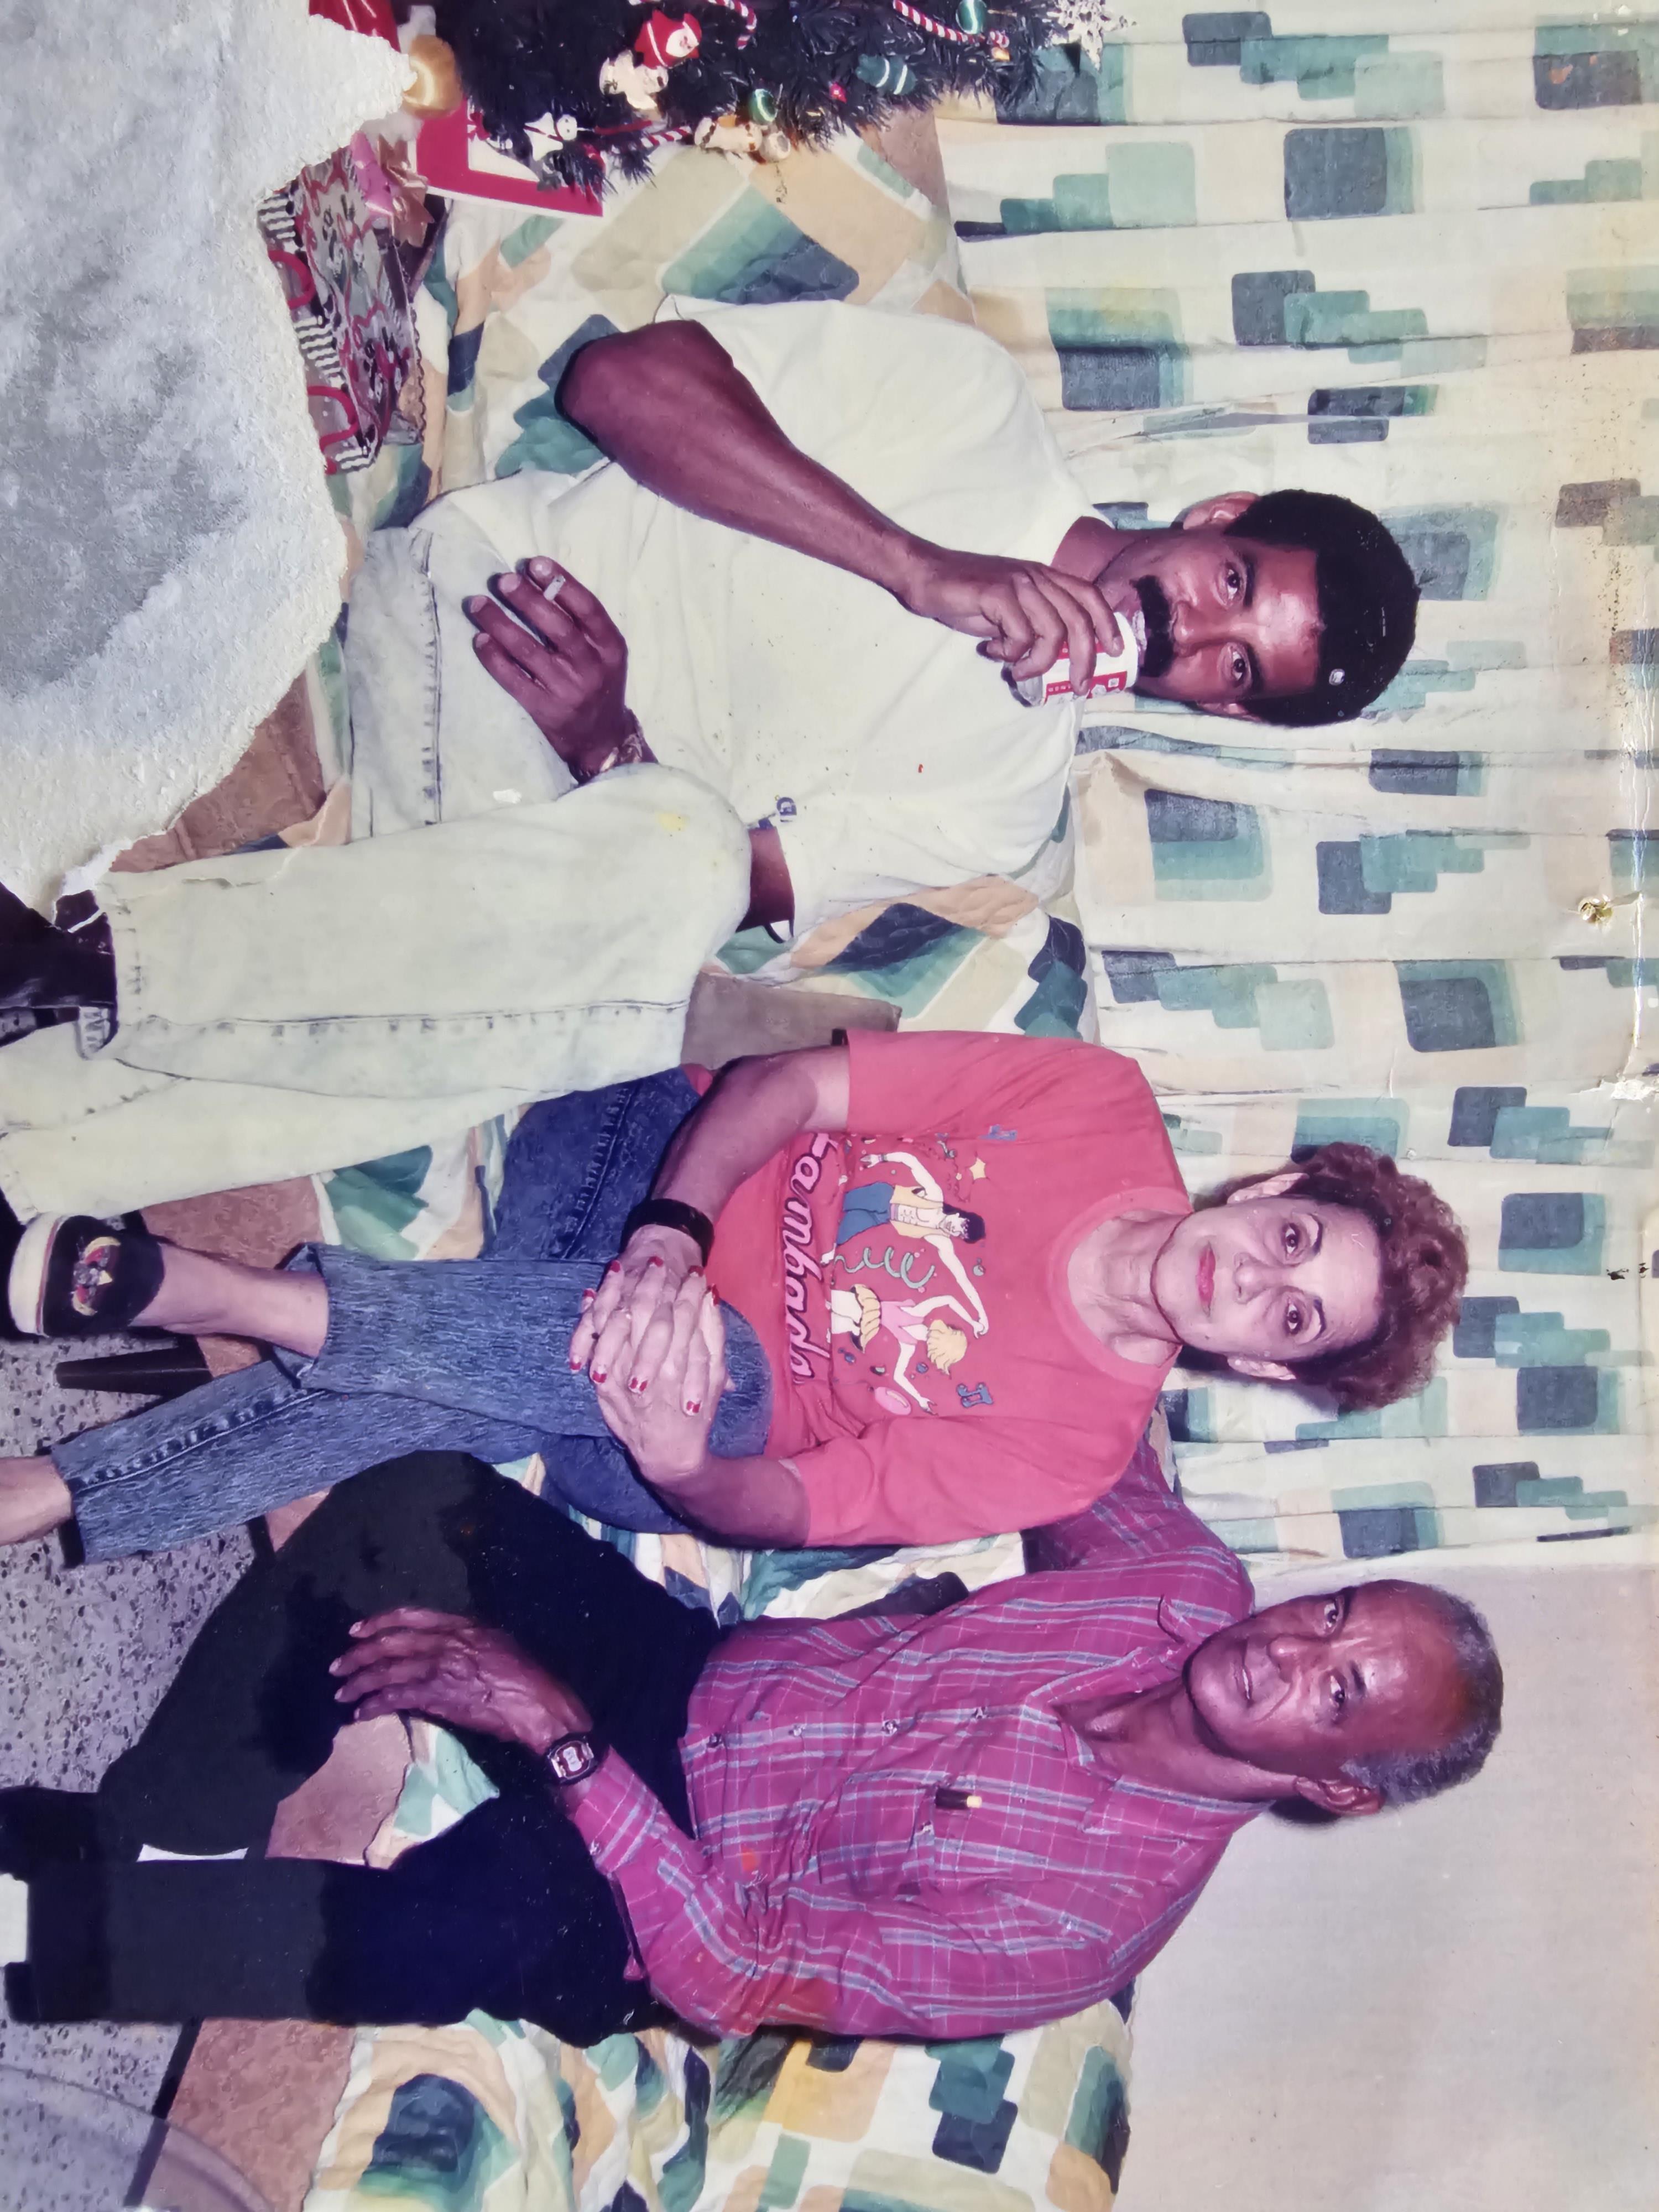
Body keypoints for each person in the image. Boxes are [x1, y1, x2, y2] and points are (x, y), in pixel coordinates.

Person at [0, 300, 1421, 1220]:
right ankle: (65, 1043)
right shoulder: (973, 408)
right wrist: (920, 568)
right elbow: (621, 381)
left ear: (1226, 713)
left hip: (553, 825)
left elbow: (731, 884)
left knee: (532, 1018)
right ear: (1219, 511)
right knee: (569, 1004)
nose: (1197, 629)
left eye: (1241, 666)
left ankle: (63, 1027)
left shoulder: (1009, 795)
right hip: (495, 610)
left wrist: (608, 739)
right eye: (1236, 579)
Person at [0, 1442, 1503, 2039]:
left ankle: (37, 1924)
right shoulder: (1177, 1588)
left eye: (1342, 1692)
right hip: (700, 1684)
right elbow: (1082, 1436)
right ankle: (155, 1820)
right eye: (1335, 1615)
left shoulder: (1077, 1930)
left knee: (424, 1947)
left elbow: (739, 1974)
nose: (1295, 1648)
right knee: (427, 1508)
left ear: (1333, 1786)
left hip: (677, 1901)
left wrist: (561, 1740)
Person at [0, 1032, 1467, 1560]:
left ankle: (224, 1292)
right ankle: (55, 1488)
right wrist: (667, 1242)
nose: (1258, 1284)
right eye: (1294, 1245)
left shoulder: (1075, 1449)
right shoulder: (1096, 1101)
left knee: (691, 1371)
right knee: (491, 1370)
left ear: (1274, 1372)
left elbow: (798, 1508)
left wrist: (685, 1455)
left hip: (665, 1433)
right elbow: (786, 1084)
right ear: (1276, 1195)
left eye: (1294, 1319)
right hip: (636, 1176)